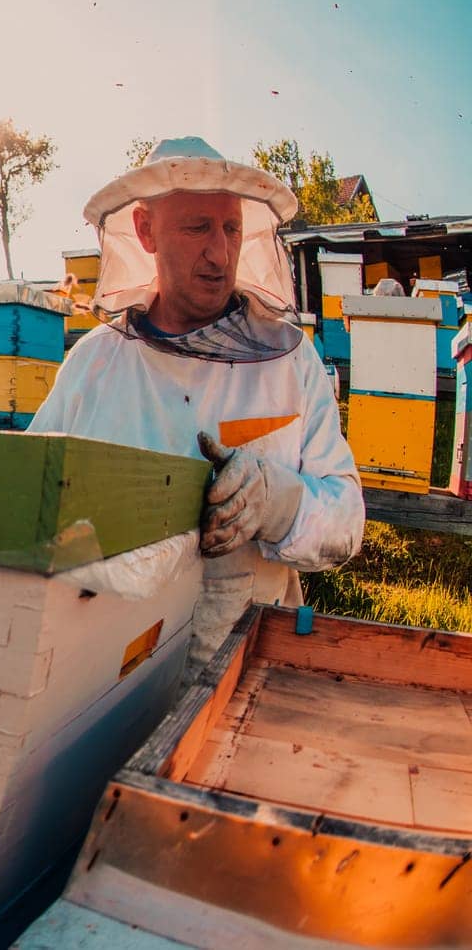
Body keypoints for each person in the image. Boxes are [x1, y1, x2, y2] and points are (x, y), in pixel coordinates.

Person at [29, 137, 364, 676]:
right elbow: (32, 494)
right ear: (145, 231)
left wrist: (276, 503)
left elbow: (346, 522)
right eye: (197, 228)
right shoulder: (93, 364)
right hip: (103, 677)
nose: (221, 252)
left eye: (231, 228)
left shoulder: (291, 362)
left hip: (246, 669)